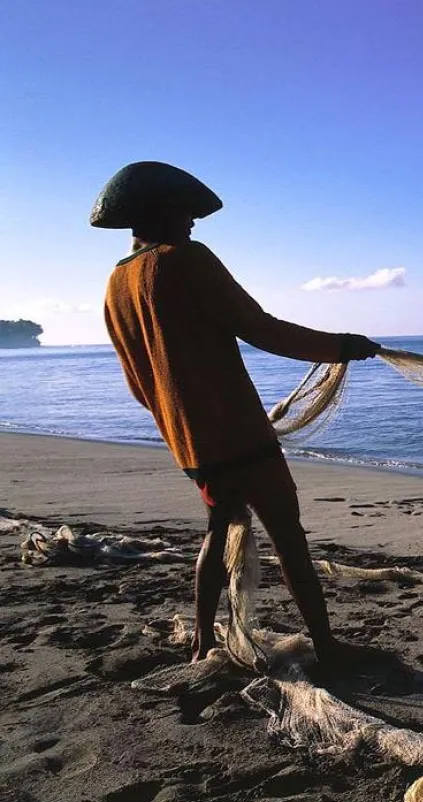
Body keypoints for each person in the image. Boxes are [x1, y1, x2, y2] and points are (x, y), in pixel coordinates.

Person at [92, 161, 380, 666]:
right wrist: (341, 346)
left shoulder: (115, 286)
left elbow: (138, 383)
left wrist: (178, 425)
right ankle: (328, 646)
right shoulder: (186, 259)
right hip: (239, 433)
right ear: (157, 212)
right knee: (289, 536)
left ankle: (204, 639)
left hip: (191, 443)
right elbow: (259, 327)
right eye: (185, 212)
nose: (193, 222)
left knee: (218, 528)